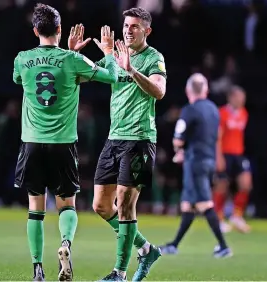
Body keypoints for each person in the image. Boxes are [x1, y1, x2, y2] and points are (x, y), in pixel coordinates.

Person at [12, 4, 120, 281]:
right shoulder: (73, 61)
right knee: (67, 206)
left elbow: (19, 79)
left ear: (35, 30)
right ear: (60, 29)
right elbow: (112, 76)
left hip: (31, 143)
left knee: (35, 209)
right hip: (62, 144)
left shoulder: (22, 59)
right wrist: (108, 54)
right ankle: (65, 245)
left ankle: (37, 269)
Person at [90, 7, 167, 281]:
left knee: (124, 203)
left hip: (140, 140)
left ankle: (119, 273)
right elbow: (90, 75)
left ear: (147, 30)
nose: (128, 30)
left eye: (134, 26)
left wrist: (131, 69)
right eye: (126, 25)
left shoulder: (153, 58)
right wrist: (79, 55)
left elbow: (159, 91)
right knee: (100, 205)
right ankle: (146, 249)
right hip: (114, 139)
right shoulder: (116, 55)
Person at [159, 73, 232, 258]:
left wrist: (180, 150)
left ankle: (224, 246)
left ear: (188, 90)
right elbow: (214, 136)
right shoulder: (214, 110)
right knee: (187, 205)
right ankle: (174, 245)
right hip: (208, 160)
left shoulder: (189, 110)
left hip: (195, 163)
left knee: (204, 203)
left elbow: (178, 138)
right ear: (205, 90)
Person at [213, 86, 252, 233]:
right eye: (239, 97)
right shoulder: (222, 113)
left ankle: (237, 216)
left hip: (238, 155)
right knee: (222, 186)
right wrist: (218, 157)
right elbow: (218, 137)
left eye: (243, 97)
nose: (242, 100)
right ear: (231, 98)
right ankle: (218, 218)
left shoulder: (244, 113)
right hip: (224, 154)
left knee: (246, 184)